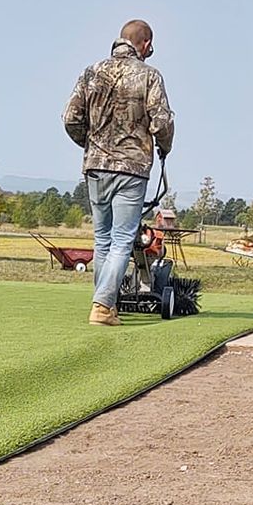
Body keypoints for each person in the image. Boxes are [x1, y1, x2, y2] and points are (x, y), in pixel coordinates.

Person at [61, 19, 175, 325]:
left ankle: (106, 303)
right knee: (124, 238)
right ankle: (102, 305)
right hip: (132, 167)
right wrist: (165, 145)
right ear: (146, 44)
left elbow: (71, 117)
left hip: (96, 166)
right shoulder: (150, 76)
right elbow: (161, 122)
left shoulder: (91, 72)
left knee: (102, 238)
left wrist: (89, 142)